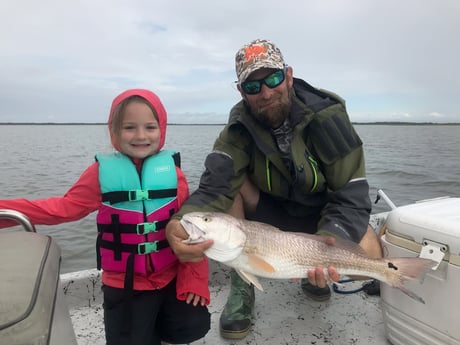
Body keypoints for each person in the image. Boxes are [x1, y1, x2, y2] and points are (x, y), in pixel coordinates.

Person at [165, 39, 383, 340]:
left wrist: (323, 245)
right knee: (231, 186)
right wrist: (180, 220)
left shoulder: (328, 118)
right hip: (266, 224)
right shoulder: (236, 132)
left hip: (320, 218)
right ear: (242, 92)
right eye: (253, 87)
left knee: (369, 256)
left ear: (288, 75)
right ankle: (243, 287)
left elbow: (351, 194)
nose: (266, 92)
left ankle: (313, 275)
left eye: (273, 79)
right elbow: (214, 187)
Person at [0, 89, 210, 345]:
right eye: (130, 127)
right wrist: (5, 211)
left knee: (191, 326)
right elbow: (61, 208)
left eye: (150, 127)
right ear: (114, 131)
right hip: (125, 285)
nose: (141, 135)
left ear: (162, 129)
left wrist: (195, 280)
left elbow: (192, 232)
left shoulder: (174, 174)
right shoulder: (100, 173)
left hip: (171, 275)